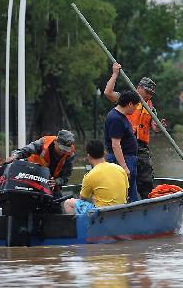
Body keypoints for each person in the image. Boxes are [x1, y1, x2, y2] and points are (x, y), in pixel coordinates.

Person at [104, 62, 165, 199]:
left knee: (145, 176)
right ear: (139, 88)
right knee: (120, 178)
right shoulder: (127, 99)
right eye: (147, 92)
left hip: (141, 147)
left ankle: (146, 201)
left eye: (151, 93)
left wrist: (158, 126)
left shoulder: (150, 107)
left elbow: (153, 127)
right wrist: (115, 74)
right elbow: (108, 93)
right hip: (123, 144)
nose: (149, 95)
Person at [62, 140, 128, 215]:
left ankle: (81, 226)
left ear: (88, 156)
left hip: (103, 215)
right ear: (104, 153)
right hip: (121, 212)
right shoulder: (120, 169)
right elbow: (126, 195)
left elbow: (82, 199)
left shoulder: (90, 176)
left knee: (68, 203)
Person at [8, 129, 76, 195]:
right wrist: (15, 156)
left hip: (49, 184)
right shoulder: (44, 142)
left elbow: (66, 176)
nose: (63, 152)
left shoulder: (70, 154)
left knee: (56, 203)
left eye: (65, 150)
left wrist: (57, 182)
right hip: (31, 176)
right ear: (55, 141)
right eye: (61, 149)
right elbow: (27, 150)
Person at [105, 90, 139, 203]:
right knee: (126, 193)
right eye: (136, 106)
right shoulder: (116, 118)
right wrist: (124, 166)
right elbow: (115, 145)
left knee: (131, 191)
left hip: (128, 158)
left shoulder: (121, 116)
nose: (135, 110)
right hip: (122, 159)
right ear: (130, 104)